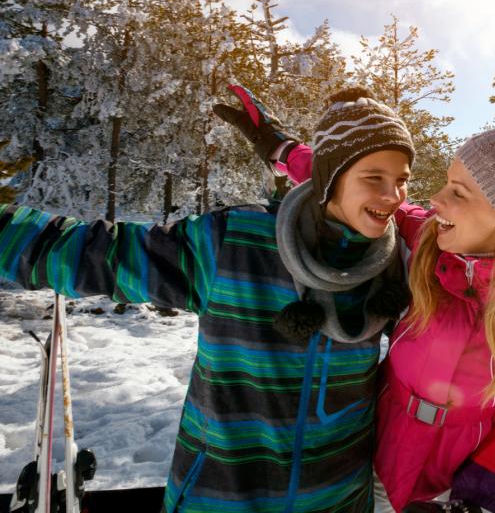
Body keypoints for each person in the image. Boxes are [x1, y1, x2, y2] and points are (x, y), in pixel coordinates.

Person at [0, 89, 419, 512]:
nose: (394, 195)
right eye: (374, 178)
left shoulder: (393, 262)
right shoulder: (235, 243)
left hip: (338, 500)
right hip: (222, 497)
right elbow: (101, 254)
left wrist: (284, 149)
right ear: (329, 178)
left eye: (402, 179)